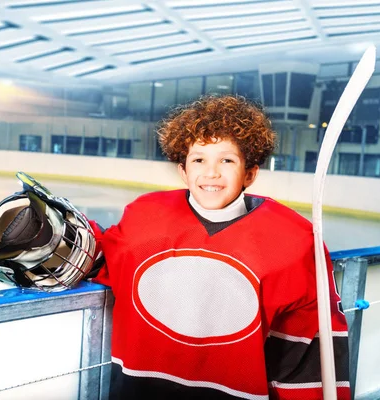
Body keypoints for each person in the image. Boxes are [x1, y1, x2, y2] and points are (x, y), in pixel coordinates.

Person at [88, 95, 351, 399]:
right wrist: (47, 238)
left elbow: (306, 350)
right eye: (199, 159)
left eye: (227, 160)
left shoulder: (293, 240)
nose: (211, 173)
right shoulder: (143, 217)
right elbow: (103, 258)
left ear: (249, 173)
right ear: (183, 171)